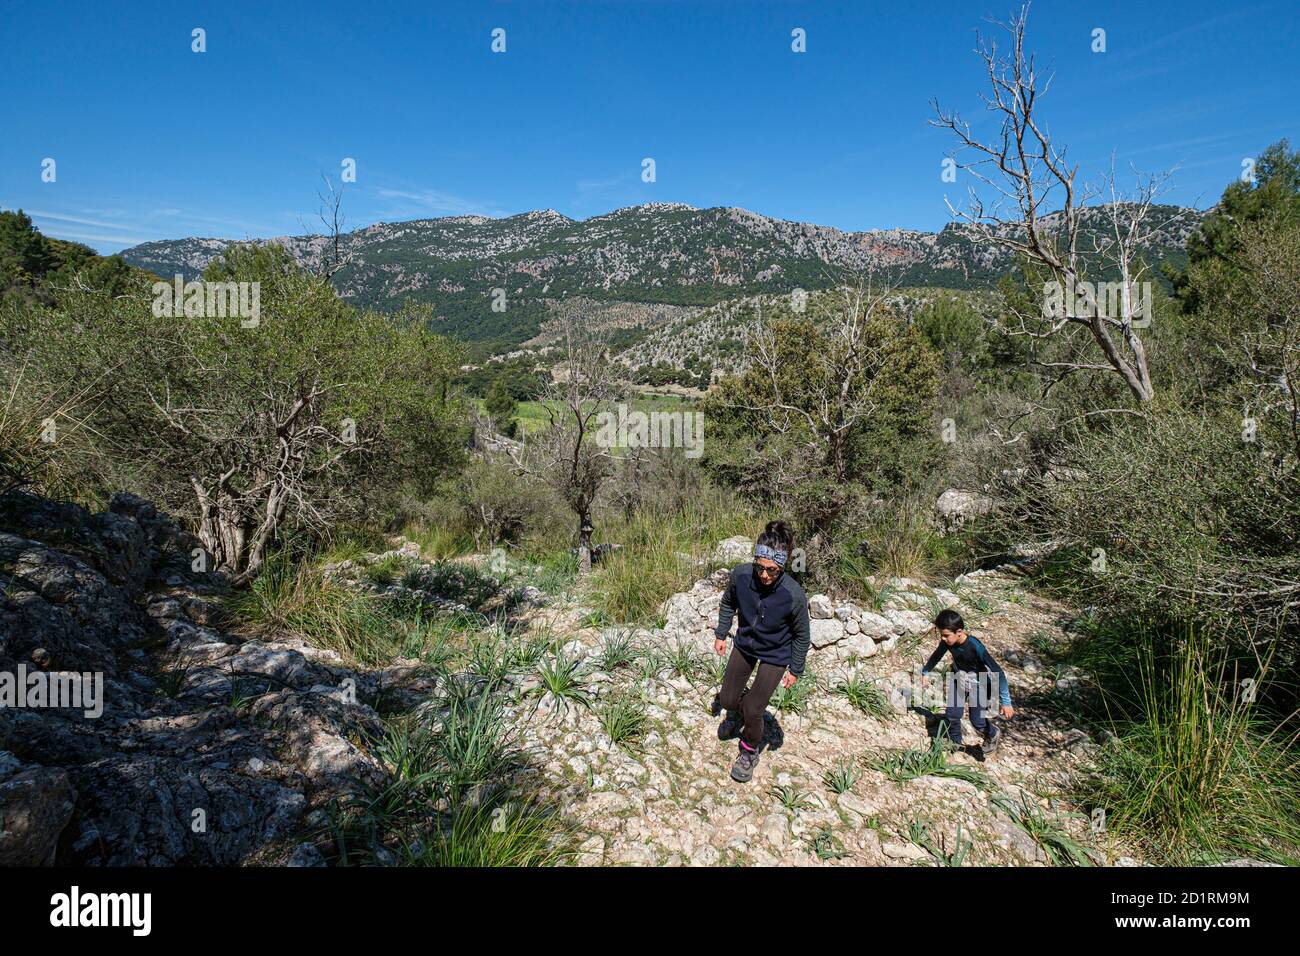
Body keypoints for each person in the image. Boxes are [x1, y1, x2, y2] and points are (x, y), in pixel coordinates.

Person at [712, 520, 810, 782]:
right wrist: (721, 634)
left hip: (776, 654)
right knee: (729, 700)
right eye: (761, 568)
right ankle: (746, 707)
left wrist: (795, 669)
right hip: (746, 644)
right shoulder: (741, 576)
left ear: (782, 567)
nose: (765, 575)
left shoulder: (794, 595)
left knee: (754, 709)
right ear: (754, 560)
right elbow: (728, 603)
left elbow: (802, 636)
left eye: (773, 570)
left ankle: (749, 748)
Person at [919, 609, 1015, 755]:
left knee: (977, 721)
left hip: (981, 684)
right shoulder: (947, 642)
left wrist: (1006, 702)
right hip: (960, 679)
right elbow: (937, 655)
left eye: (946, 635)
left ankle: (992, 733)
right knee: (952, 714)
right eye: (941, 635)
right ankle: (955, 743)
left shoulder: (976, 647)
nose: (943, 639)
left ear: (959, 631)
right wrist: (925, 671)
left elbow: (999, 673)